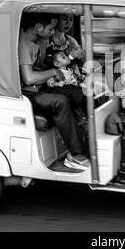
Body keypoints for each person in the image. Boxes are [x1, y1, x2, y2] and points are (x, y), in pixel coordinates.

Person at [18, 12, 90, 171]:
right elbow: (29, 78)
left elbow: (45, 65)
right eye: (50, 29)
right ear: (38, 27)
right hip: (29, 94)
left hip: (42, 87)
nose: (52, 32)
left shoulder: (38, 41)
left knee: (80, 91)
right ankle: (75, 155)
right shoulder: (23, 44)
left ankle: (92, 137)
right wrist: (52, 73)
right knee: (60, 101)